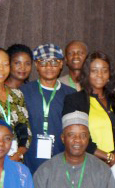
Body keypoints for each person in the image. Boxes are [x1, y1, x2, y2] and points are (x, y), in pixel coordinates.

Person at [61, 51, 115, 166]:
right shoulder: (75, 100)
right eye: (94, 70)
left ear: (110, 74)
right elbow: (76, 137)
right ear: (86, 73)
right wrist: (109, 157)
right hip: (90, 164)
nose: (100, 75)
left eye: (104, 70)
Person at [21, 44, 75, 172]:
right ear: (36, 65)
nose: (49, 66)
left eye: (54, 62)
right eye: (43, 62)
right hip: (29, 157)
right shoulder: (23, 91)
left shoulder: (71, 94)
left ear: (61, 64)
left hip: (61, 158)